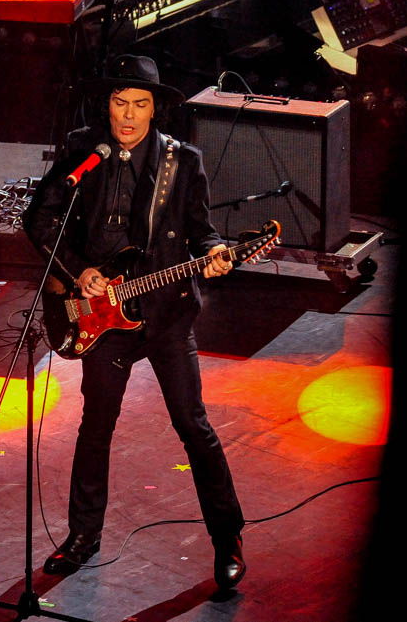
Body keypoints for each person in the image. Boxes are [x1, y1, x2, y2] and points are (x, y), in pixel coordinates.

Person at [23, 55, 246, 589]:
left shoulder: (182, 160)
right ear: (107, 105)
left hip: (166, 314)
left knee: (193, 425)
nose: (127, 115)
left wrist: (214, 254)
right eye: (119, 103)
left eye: (139, 105)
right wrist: (79, 272)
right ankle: (83, 535)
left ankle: (227, 537)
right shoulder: (84, 150)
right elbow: (41, 218)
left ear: (154, 109)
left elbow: (202, 232)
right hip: (101, 316)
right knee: (96, 425)